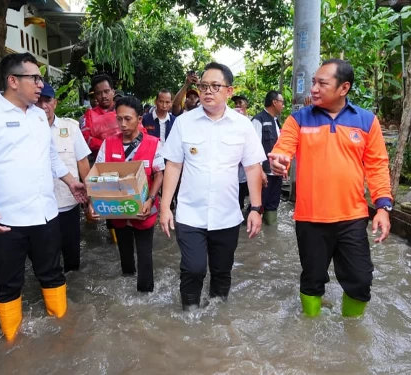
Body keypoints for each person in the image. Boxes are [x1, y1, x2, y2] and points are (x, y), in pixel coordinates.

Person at [0, 52, 87, 342]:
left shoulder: (39, 119)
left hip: (45, 214)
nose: (41, 84)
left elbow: (52, 156)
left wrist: (71, 182)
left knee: (53, 274)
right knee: (8, 284)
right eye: (35, 78)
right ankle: (12, 347)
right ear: (13, 80)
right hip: (5, 219)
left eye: (41, 78)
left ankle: (63, 337)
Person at [268, 59, 392, 318]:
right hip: (310, 217)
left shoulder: (366, 121)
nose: (313, 88)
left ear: (343, 88)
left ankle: (351, 333)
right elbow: (283, 148)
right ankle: (310, 334)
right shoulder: (299, 119)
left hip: (352, 217)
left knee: (360, 280)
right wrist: (279, 160)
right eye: (313, 82)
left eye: (322, 83)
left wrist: (383, 207)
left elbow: (377, 166)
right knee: (312, 279)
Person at [160, 62, 266, 311]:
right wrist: (165, 207)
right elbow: (173, 166)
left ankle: (218, 315)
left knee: (222, 270)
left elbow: (252, 168)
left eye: (215, 86)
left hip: (227, 215)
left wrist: (256, 208)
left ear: (229, 91)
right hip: (190, 213)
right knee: (193, 268)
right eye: (204, 86)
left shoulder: (243, 126)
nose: (208, 91)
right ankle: (190, 315)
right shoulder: (184, 123)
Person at [88, 96, 164, 293]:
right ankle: (127, 282)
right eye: (119, 119)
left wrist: (150, 199)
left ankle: (145, 295)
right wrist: (93, 202)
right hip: (118, 210)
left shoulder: (153, 143)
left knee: (145, 254)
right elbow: (97, 173)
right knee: (124, 252)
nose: (122, 124)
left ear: (140, 119)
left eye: (128, 119)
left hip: (144, 209)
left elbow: (159, 174)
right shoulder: (108, 144)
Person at [36, 83, 91, 273]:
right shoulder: (26, 132)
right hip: (39, 207)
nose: (44, 106)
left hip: (67, 204)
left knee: (72, 257)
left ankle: (74, 295)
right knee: (46, 257)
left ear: (55, 103)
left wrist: (90, 199)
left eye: (48, 100)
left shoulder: (71, 127)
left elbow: (83, 163)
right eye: (39, 100)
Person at [252, 90, 285, 225]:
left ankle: (270, 233)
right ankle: (252, 236)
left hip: (276, 172)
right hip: (264, 173)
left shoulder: (277, 122)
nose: (283, 105)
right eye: (282, 102)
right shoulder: (258, 120)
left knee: (273, 204)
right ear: (274, 102)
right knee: (258, 204)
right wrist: (260, 171)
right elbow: (253, 149)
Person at [81, 74, 119, 160]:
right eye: (99, 93)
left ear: (113, 92)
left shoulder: (124, 110)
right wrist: (109, 146)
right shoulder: (90, 114)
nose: (103, 96)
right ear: (95, 96)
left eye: (106, 91)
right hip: (101, 162)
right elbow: (85, 139)